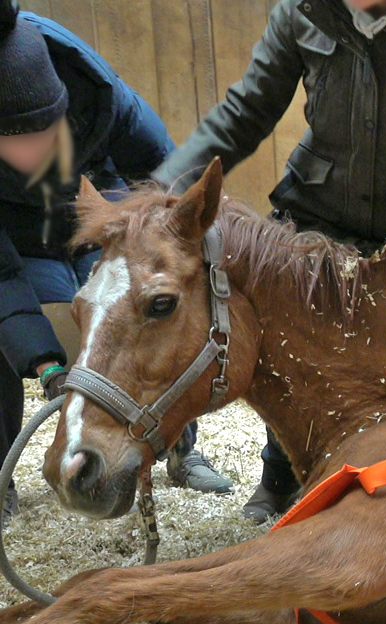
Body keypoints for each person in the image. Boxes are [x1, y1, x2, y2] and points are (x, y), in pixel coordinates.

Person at [153, 0, 386, 522]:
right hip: (319, 214)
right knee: (290, 353)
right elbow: (246, 112)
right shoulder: (301, 15)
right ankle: (279, 476)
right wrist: (164, 194)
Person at [0, 3, 233, 527]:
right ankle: (0, 475)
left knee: (148, 314)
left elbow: (169, 174)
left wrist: (160, 250)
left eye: (44, 133)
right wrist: (45, 362)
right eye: (13, 142)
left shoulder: (100, 94)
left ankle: (183, 449)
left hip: (102, 214)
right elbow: (1, 276)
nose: (34, 153)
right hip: (18, 238)